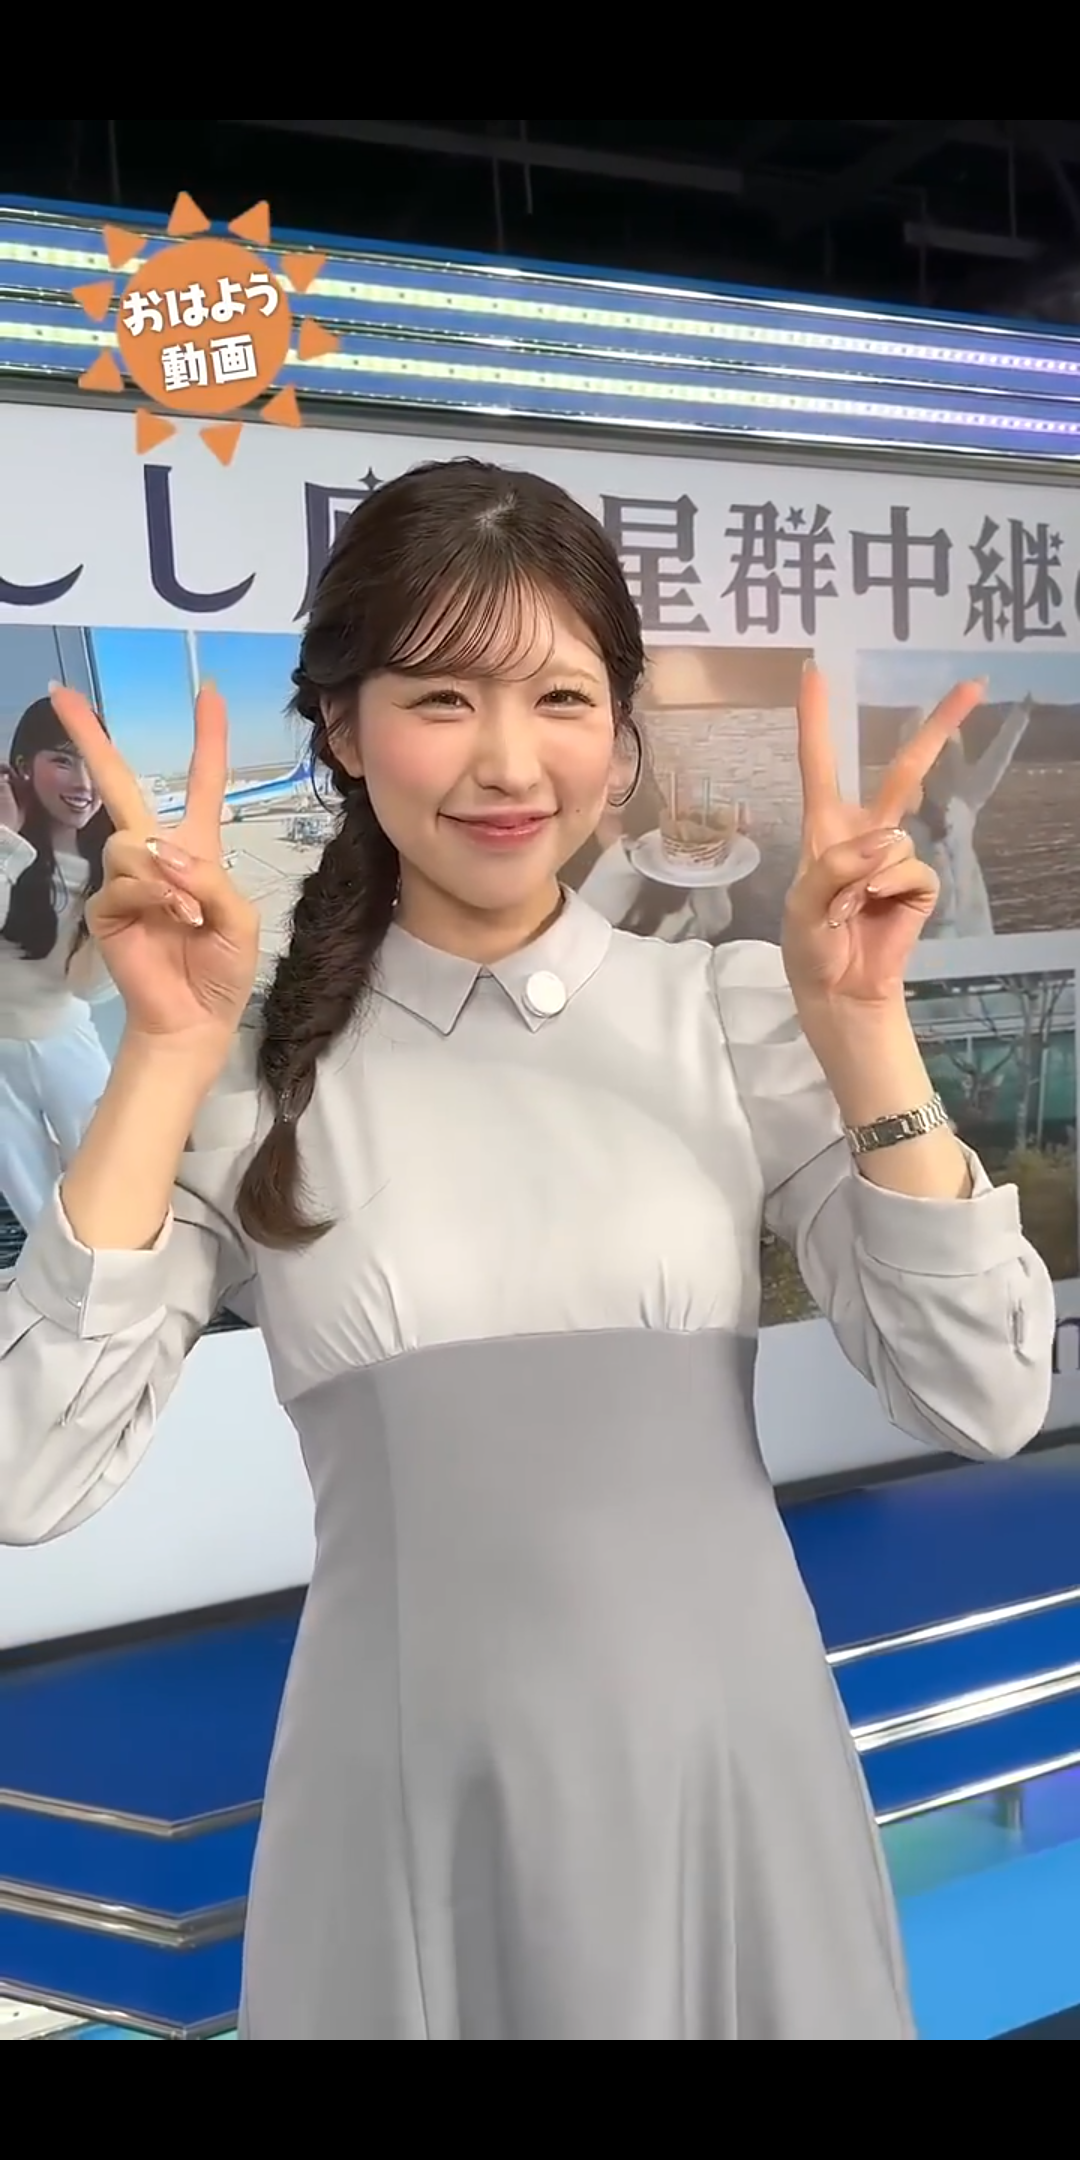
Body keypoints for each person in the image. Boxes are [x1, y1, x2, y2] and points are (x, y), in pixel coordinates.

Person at [0, 460, 1055, 2044]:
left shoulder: (730, 1016)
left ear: (619, 737)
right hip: (406, 1812)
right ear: (344, 728)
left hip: (734, 1786)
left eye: (560, 697)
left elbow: (986, 1395)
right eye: (441, 696)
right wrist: (160, 1052)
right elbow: (26, 1476)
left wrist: (865, 1034)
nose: (507, 761)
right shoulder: (250, 1068)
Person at [0, 697, 114, 1232]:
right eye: (64, 760)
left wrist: (118, 913)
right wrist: (7, 841)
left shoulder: (107, 861)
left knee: (110, 1179)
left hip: (67, 1039)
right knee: (37, 1213)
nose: (84, 782)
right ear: (23, 765)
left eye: (94, 761)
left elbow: (89, 988)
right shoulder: (6, 850)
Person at [900, 696, 1032, 939]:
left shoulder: (963, 804)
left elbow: (996, 760)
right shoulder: (902, 827)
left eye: (946, 752)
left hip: (978, 937)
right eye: (933, 755)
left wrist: (1020, 716)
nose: (940, 763)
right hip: (931, 946)